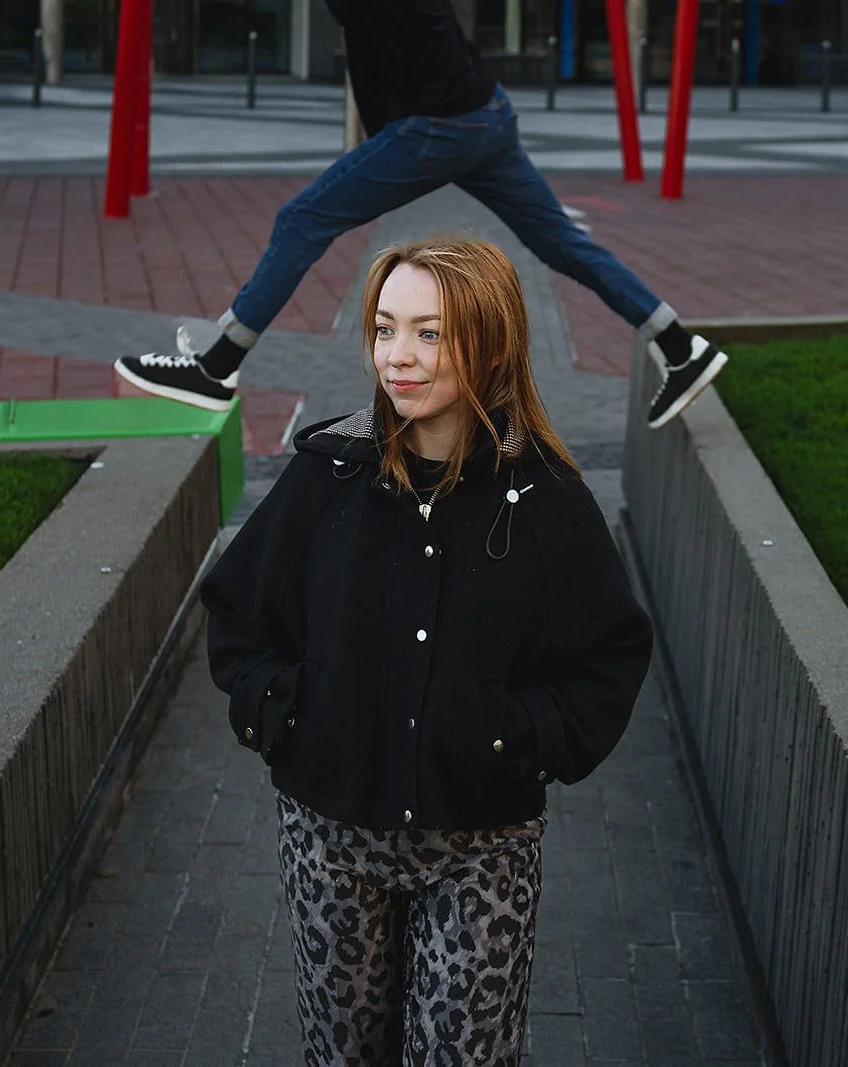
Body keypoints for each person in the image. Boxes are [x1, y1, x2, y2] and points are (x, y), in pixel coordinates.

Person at [199, 236, 654, 1065]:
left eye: (430, 333)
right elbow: (237, 616)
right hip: (331, 835)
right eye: (384, 329)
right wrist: (289, 716)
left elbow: (609, 655)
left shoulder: (545, 498)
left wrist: (517, 738)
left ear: (491, 342)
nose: (398, 358)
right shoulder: (327, 477)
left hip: (481, 845)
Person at [115, 0, 728, 431]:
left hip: (439, 126)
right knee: (564, 245)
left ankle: (215, 370)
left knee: (302, 220)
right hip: (486, 113)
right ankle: (678, 344)